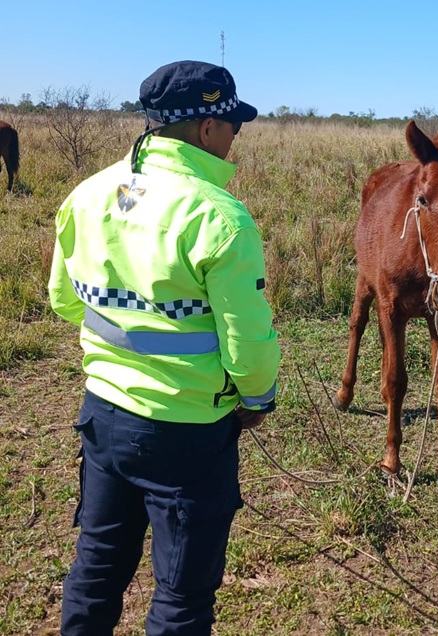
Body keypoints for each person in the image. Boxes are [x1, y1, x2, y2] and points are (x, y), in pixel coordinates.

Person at [48, 60, 281, 635]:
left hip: (103, 417)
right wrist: (258, 398)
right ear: (207, 129)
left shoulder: (88, 193)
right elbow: (247, 345)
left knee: (96, 568)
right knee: (182, 594)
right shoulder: (220, 217)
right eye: (233, 126)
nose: (234, 139)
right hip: (189, 436)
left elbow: (64, 301)